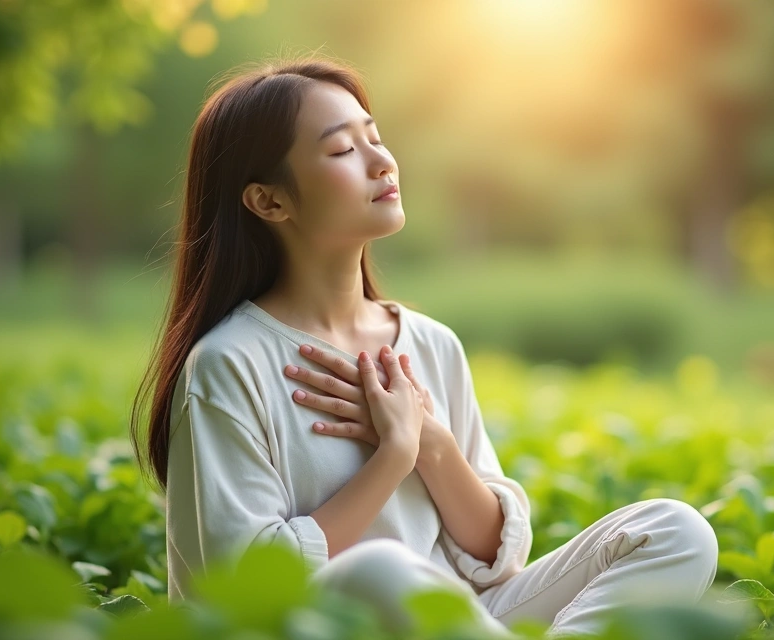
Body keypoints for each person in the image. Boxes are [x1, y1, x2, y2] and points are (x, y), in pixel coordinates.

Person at [130, 54, 719, 639]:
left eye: (375, 137)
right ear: (269, 201)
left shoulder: (432, 344)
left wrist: (431, 445)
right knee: (379, 572)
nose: (382, 161)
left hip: (460, 624)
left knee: (676, 531)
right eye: (343, 150)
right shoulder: (230, 363)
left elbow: (494, 560)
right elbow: (250, 589)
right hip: (327, 629)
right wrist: (393, 454)